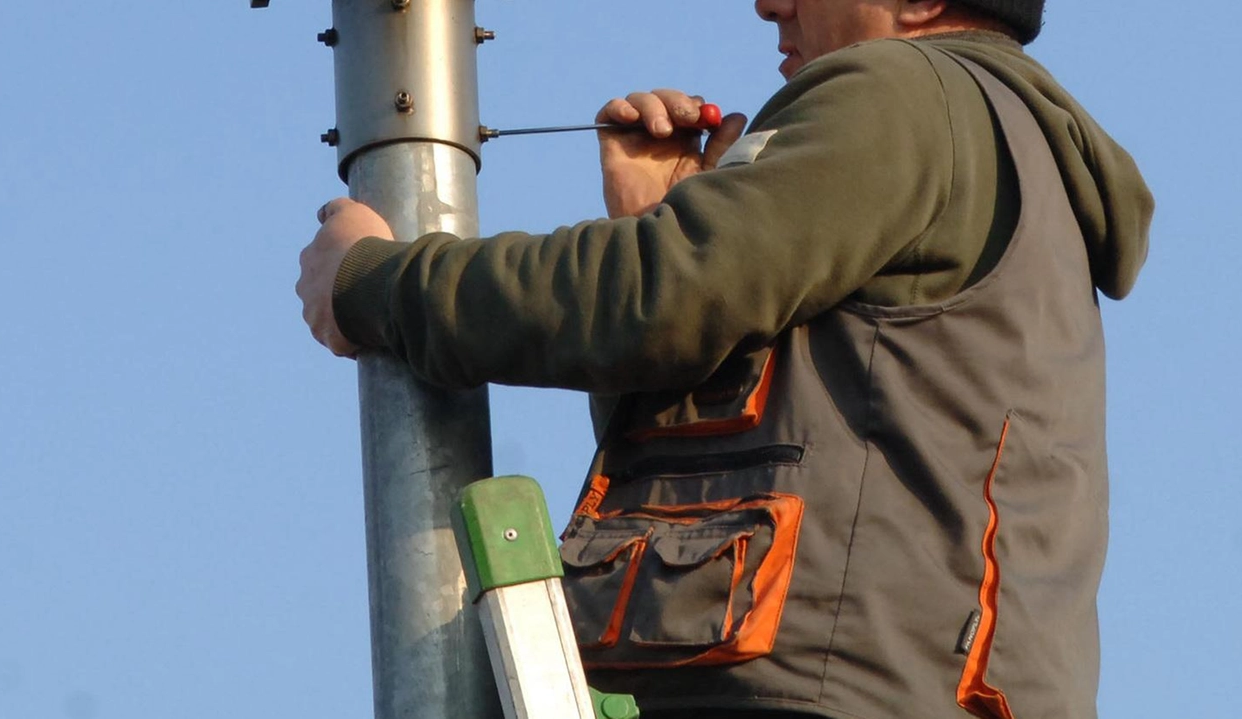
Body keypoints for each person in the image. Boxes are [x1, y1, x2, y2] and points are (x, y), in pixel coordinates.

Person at [297, 0, 1153, 717]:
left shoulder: (902, 90)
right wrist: (667, 220)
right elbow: (695, 330)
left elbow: (660, 297)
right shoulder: (1006, 152)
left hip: (833, 689)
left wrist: (378, 281)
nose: (770, 3)